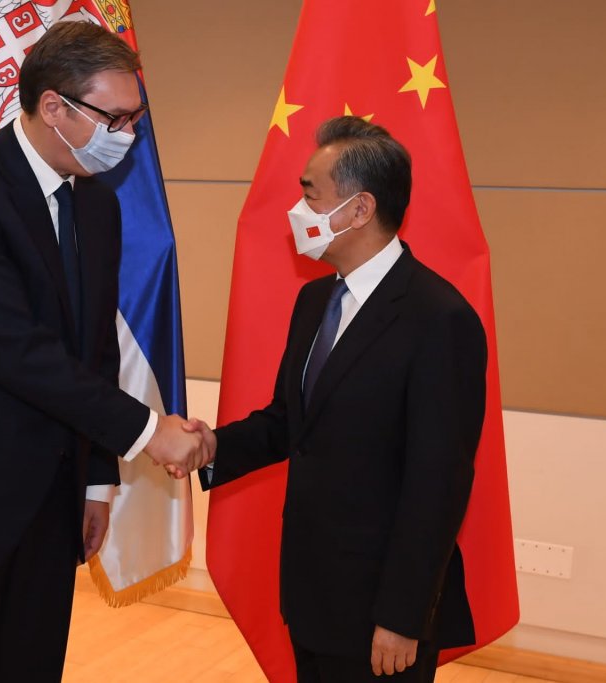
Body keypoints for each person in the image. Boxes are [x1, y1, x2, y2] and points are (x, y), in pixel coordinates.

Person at [0, 21, 208, 682]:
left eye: (135, 119)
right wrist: (149, 431)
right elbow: (13, 348)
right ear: (54, 107)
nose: (127, 136)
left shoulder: (98, 205)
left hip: (51, 499)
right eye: (114, 119)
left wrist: (98, 480)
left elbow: (96, 349)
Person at [189, 116, 487, 682]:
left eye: (310, 194)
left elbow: (438, 483)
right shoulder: (315, 301)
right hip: (312, 594)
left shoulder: (438, 318)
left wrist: (402, 616)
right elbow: (290, 424)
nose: (297, 209)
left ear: (359, 209)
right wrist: (209, 447)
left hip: (381, 611)